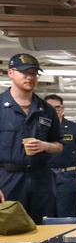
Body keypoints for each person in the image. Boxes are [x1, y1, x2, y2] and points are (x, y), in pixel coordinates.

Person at [0, 54, 62, 222]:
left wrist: (46, 146)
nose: (29, 77)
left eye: (33, 73)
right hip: (7, 179)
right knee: (7, 235)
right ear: (11, 73)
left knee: (41, 232)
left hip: (40, 179)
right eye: (24, 72)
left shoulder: (47, 110)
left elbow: (59, 144)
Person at [44, 94, 76, 217]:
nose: (55, 111)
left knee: (67, 218)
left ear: (63, 108)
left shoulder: (74, 128)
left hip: (67, 178)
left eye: (58, 107)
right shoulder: (38, 129)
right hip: (44, 178)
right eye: (50, 107)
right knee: (44, 218)